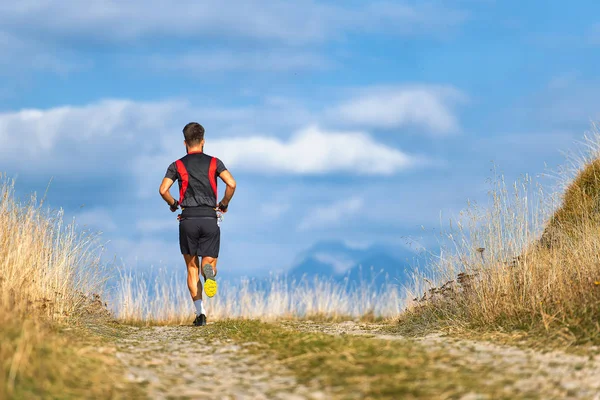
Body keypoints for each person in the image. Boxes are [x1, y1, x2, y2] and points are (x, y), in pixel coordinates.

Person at [159, 122, 236, 326]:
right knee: (207, 265)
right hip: (210, 218)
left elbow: (163, 190)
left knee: (191, 268)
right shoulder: (214, 163)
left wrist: (175, 204)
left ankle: (200, 314)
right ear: (203, 142)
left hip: (188, 219)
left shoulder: (177, 165)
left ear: (185, 143)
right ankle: (208, 273)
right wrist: (224, 204)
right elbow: (231, 183)